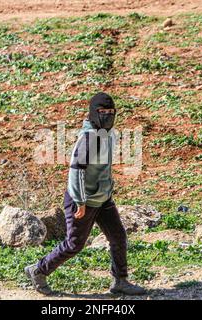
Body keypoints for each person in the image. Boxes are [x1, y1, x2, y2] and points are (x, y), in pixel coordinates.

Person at [25, 92, 146, 296]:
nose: (107, 115)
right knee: (74, 244)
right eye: (102, 112)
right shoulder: (90, 138)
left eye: (110, 112)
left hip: (102, 198)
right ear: (93, 113)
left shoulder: (106, 134)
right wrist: (80, 201)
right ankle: (38, 270)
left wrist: (106, 190)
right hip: (81, 200)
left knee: (118, 236)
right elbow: (76, 170)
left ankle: (120, 281)